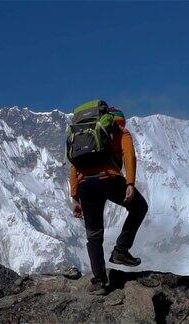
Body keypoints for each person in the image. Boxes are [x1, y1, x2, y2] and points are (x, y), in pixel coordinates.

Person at [69, 105, 148, 295]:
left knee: (94, 235)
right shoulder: (120, 130)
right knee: (139, 207)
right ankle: (121, 250)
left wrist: (75, 197)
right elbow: (129, 155)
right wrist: (130, 183)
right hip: (109, 179)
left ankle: (98, 280)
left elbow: (73, 166)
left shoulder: (81, 135)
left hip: (86, 185)